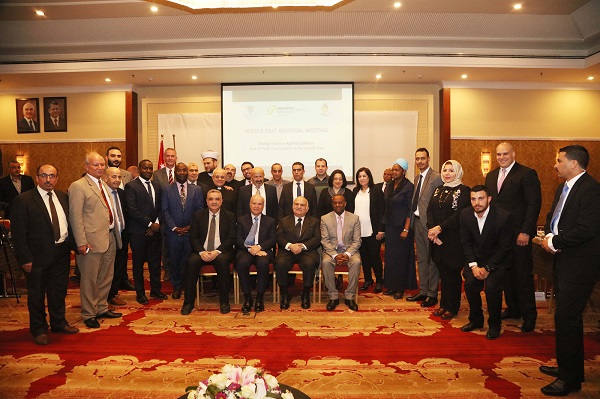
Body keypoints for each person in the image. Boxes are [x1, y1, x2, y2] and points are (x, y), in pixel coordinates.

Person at [539, 145, 600, 396]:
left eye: (559, 160)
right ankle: (568, 367)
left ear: (573, 164)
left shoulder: (591, 190)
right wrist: (549, 233)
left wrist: (556, 241)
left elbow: (587, 229)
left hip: (580, 263)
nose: (556, 165)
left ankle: (570, 379)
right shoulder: (563, 187)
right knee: (565, 318)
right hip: (564, 261)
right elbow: (555, 217)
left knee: (566, 317)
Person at [11, 164, 78, 345]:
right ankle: (39, 329)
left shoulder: (63, 197)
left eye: (52, 176)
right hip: (36, 257)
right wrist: (24, 259)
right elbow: (18, 233)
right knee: (37, 295)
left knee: (58, 291)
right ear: (37, 177)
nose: (48, 180)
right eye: (44, 175)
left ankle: (58, 322)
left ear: (57, 178)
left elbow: (68, 225)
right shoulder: (23, 200)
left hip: (61, 253)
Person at [485, 142, 542, 333]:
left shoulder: (526, 174)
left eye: (505, 154)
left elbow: (533, 205)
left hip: (520, 235)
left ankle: (529, 315)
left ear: (513, 154)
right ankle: (513, 308)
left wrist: (526, 231)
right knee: (505, 275)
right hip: (499, 238)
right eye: (499, 154)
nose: (501, 157)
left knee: (522, 276)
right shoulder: (491, 176)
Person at [69, 152, 123, 329]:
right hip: (90, 241)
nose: (100, 168)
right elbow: (76, 217)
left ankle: (101, 307)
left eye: (102, 165)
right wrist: (81, 242)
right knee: (90, 279)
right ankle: (88, 313)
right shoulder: (78, 186)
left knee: (106, 277)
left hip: (109, 237)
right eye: (95, 165)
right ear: (86, 167)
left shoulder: (104, 185)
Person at [460, 185, 513, 340]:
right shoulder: (465, 215)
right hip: (475, 260)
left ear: (489, 199)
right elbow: (466, 243)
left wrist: (489, 268)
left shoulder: (503, 217)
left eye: (481, 198)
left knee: (491, 289)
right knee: (470, 285)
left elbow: (505, 247)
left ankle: (495, 324)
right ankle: (476, 320)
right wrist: (474, 266)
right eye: (473, 199)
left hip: (497, 260)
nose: (477, 203)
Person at [426, 160, 471, 320]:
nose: (447, 173)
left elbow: (459, 215)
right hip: (437, 238)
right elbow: (429, 210)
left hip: (453, 239)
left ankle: (452, 306)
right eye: (445, 170)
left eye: (451, 170)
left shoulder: (464, 191)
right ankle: (443, 304)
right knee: (443, 273)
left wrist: (440, 228)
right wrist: (432, 229)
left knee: (452, 273)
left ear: (458, 172)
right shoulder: (439, 189)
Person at [181, 189, 237, 315]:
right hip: (202, 250)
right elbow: (193, 237)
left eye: (217, 199)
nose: (214, 202)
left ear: (222, 201)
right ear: (206, 201)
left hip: (221, 251)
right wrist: (201, 252)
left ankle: (224, 302)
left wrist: (217, 251)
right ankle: (188, 302)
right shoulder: (198, 215)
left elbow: (231, 237)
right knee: (191, 262)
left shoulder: (230, 216)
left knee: (223, 262)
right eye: (211, 199)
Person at [125, 159, 166, 305]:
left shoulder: (157, 185)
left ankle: (156, 290)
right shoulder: (131, 186)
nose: (148, 171)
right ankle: (140, 293)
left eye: (150, 168)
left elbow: (161, 207)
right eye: (145, 168)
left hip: (155, 232)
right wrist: (149, 224)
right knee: (138, 265)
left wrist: (156, 224)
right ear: (139, 169)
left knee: (155, 263)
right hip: (138, 233)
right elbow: (132, 209)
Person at [406, 148, 443, 307]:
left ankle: (432, 294)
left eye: (422, 158)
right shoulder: (416, 178)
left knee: (432, 260)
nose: (420, 161)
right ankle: (423, 290)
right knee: (421, 259)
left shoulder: (436, 178)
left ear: (428, 159)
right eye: (417, 159)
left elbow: (438, 203)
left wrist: (436, 226)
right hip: (418, 222)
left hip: (430, 225)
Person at [162, 162, 204, 299]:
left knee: (189, 260)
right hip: (173, 232)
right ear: (175, 173)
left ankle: (189, 286)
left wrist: (190, 227)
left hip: (190, 232)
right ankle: (177, 287)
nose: (181, 173)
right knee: (174, 260)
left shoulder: (196, 189)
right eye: (178, 171)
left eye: (184, 170)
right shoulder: (167, 189)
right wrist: (174, 227)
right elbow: (165, 210)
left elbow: (199, 210)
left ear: (187, 173)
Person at [276, 196, 321, 310]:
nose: (299, 207)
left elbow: (317, 238)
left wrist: (303, 246)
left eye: (302, 205)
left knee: (310, 264)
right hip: (287, 251)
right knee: (280, 263)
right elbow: (279, 237)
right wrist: (290, 246)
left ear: (307, 208)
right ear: (292, 207)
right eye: (296, 204)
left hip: (306, 251)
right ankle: (285, 294)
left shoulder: (314, 221)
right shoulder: (283, 220)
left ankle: (305, 293)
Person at [236, 194, 276, 313]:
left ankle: (260, 297)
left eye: (259, 204)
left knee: (263, 264)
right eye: (254, 203)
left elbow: (272, 239)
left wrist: (259, 247)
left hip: (263, 250)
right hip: (246, 250)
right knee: (242, 263)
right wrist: (250, 248)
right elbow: (238, 239)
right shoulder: (241, 220)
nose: (257, 206)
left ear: (263, 206)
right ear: (249, 204)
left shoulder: (270, 221)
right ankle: (247, 297)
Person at [321, 194, 361, 311]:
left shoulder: (354, 218)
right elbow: (325, 240)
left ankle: (349, 297)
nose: (337, 205)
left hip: (350, 251)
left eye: (340, 203)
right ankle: (333, 297)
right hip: (331, 251)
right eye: (335, 203)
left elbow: (357, 240)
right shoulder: (325, 218)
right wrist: (335, 255)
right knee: (326, 262)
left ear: (345, 204)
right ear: (332, 204)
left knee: (357, 262)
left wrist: (347, 254)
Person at [382, 158, 415, 299]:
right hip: (390, 226)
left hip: (402, 227)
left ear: (404, 171)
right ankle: (391, 285)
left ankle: (400, 288)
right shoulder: (389, 185)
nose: (394, 172)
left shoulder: (409, 186)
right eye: (393, 169)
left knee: (401, 259)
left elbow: (410, 210)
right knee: (390, 258)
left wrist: (406, 229)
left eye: (397, 170)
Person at [352, 167, 385, 293]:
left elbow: (382, 211)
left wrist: (381, 229)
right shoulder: (355, 191)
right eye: (359, 176)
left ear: (369, 177)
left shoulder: (376, 191)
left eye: (364, 176)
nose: (362, 178)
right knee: (364, 257)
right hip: (358, 231)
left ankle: (379, 281)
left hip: (373, 230)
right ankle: (368, 279)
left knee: (374, 256)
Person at [103, 167, 131, 307]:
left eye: (119, 177)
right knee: (106, 269)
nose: (117, 180)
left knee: (119, 266)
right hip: (107, 236)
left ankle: (112, 294)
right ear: (105, 178)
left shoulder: (121, 193)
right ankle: (103, 297)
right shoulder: (102, 194)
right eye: (113, 177)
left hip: (121, 234)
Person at [152, 147, 176, 281]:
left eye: (173, 156)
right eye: (168, 156)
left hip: (179, 214)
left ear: (176, 158)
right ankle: (167, 269)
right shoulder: (157, 174)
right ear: (164, 158)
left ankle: (178, 268)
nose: (170, 158)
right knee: (165, 244)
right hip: (163, 213)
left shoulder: (181, 172)